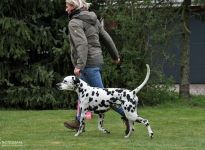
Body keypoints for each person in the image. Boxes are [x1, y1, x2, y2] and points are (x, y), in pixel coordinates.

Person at [64, 0, 129, 134]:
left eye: (67, 6)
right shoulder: (93, 19)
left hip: (88, 64)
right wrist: (114, 55)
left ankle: (127, 115)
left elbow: (82, 44)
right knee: (82, 93)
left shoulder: (75, 22)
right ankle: (78, 121)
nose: (66, 9)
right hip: (96, 61)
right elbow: (106, 38)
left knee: (103, 96)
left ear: (74, 6)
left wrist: (79, 65)